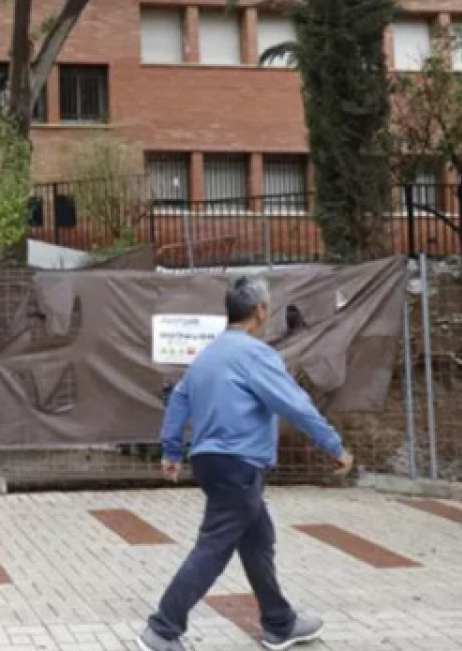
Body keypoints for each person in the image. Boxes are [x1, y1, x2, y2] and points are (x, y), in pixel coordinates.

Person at [137, 277, 354, 651]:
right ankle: (163, 629)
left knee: (258, 540)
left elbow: (178, 400)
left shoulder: (207, 355)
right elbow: (294, 403)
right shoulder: (255, 355)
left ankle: (280, 623)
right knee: (214, 546)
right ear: (260, 311)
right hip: (238, 463)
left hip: (211, 461)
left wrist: (172, 452)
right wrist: (332, 444)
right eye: (268, 307)